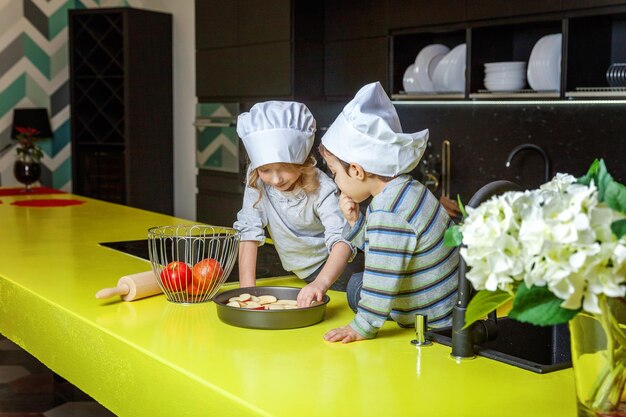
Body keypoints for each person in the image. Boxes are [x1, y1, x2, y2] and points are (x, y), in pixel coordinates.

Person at [319, 82, 459, 343]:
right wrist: (356, 222)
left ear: (357, 171)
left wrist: (361, 326)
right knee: (357, 285)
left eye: (334, 172)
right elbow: (387, 247)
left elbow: (381, 275)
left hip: (431, 318)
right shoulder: (408, 188)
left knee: (359, 287)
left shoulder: (388, 212)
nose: (334, 180)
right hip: (448, 302)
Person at [233, 101, 356, 308]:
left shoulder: (323, 190)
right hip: (291, 269)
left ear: (303, 162)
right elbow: (249, 230)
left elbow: (342, 240)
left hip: (331, 270)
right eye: (265, 170)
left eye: (284, 168)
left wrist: (320, 283)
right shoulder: (258, 179)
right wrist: (247, 294)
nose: (275, 179)